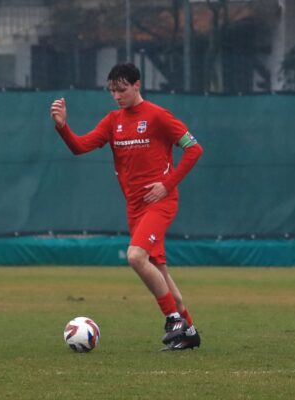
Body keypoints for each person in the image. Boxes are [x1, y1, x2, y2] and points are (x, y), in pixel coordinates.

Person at [50, 63, 203, 351]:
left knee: (135, 256)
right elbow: (80, 147)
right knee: (160, 271)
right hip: (135, 207)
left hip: (161, 202)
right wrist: (62, 126)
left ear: (137, 85)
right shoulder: (113, 121)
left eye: (121, 90)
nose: (117, 96)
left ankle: (173, 320)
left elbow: (194, 149)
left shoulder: (158, 116)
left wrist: (167, 184)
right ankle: (189, 331)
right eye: (112, 91)